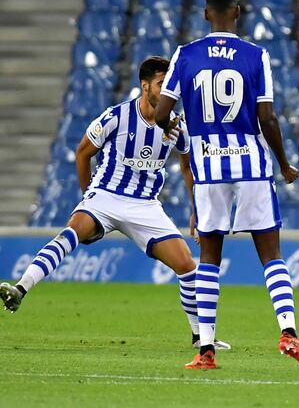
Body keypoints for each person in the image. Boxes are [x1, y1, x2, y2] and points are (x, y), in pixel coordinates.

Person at [0, 56, 230, 351]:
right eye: (162, 84)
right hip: (106, 195)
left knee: (186, 264)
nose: (169, 90)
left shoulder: (176, 127)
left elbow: (188, 167)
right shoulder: (116, 117)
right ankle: (20, 288)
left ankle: (200, 336)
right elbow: (83, 153)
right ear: (144, 86)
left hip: (145, 205)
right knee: (73, 230)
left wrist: (197, 211)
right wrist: (88, 196)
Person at [154, 0, 299, 371]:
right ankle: (289, 332)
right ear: (238, 12)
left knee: (209, 257)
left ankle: (207, 350)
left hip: (208, 169)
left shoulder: (185, 55)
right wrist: (283, 164)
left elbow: (162, 110)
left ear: (205, 14)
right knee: (271, 255)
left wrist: (174, 126)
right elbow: (267, 118)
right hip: (250, 164)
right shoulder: (256, 56)